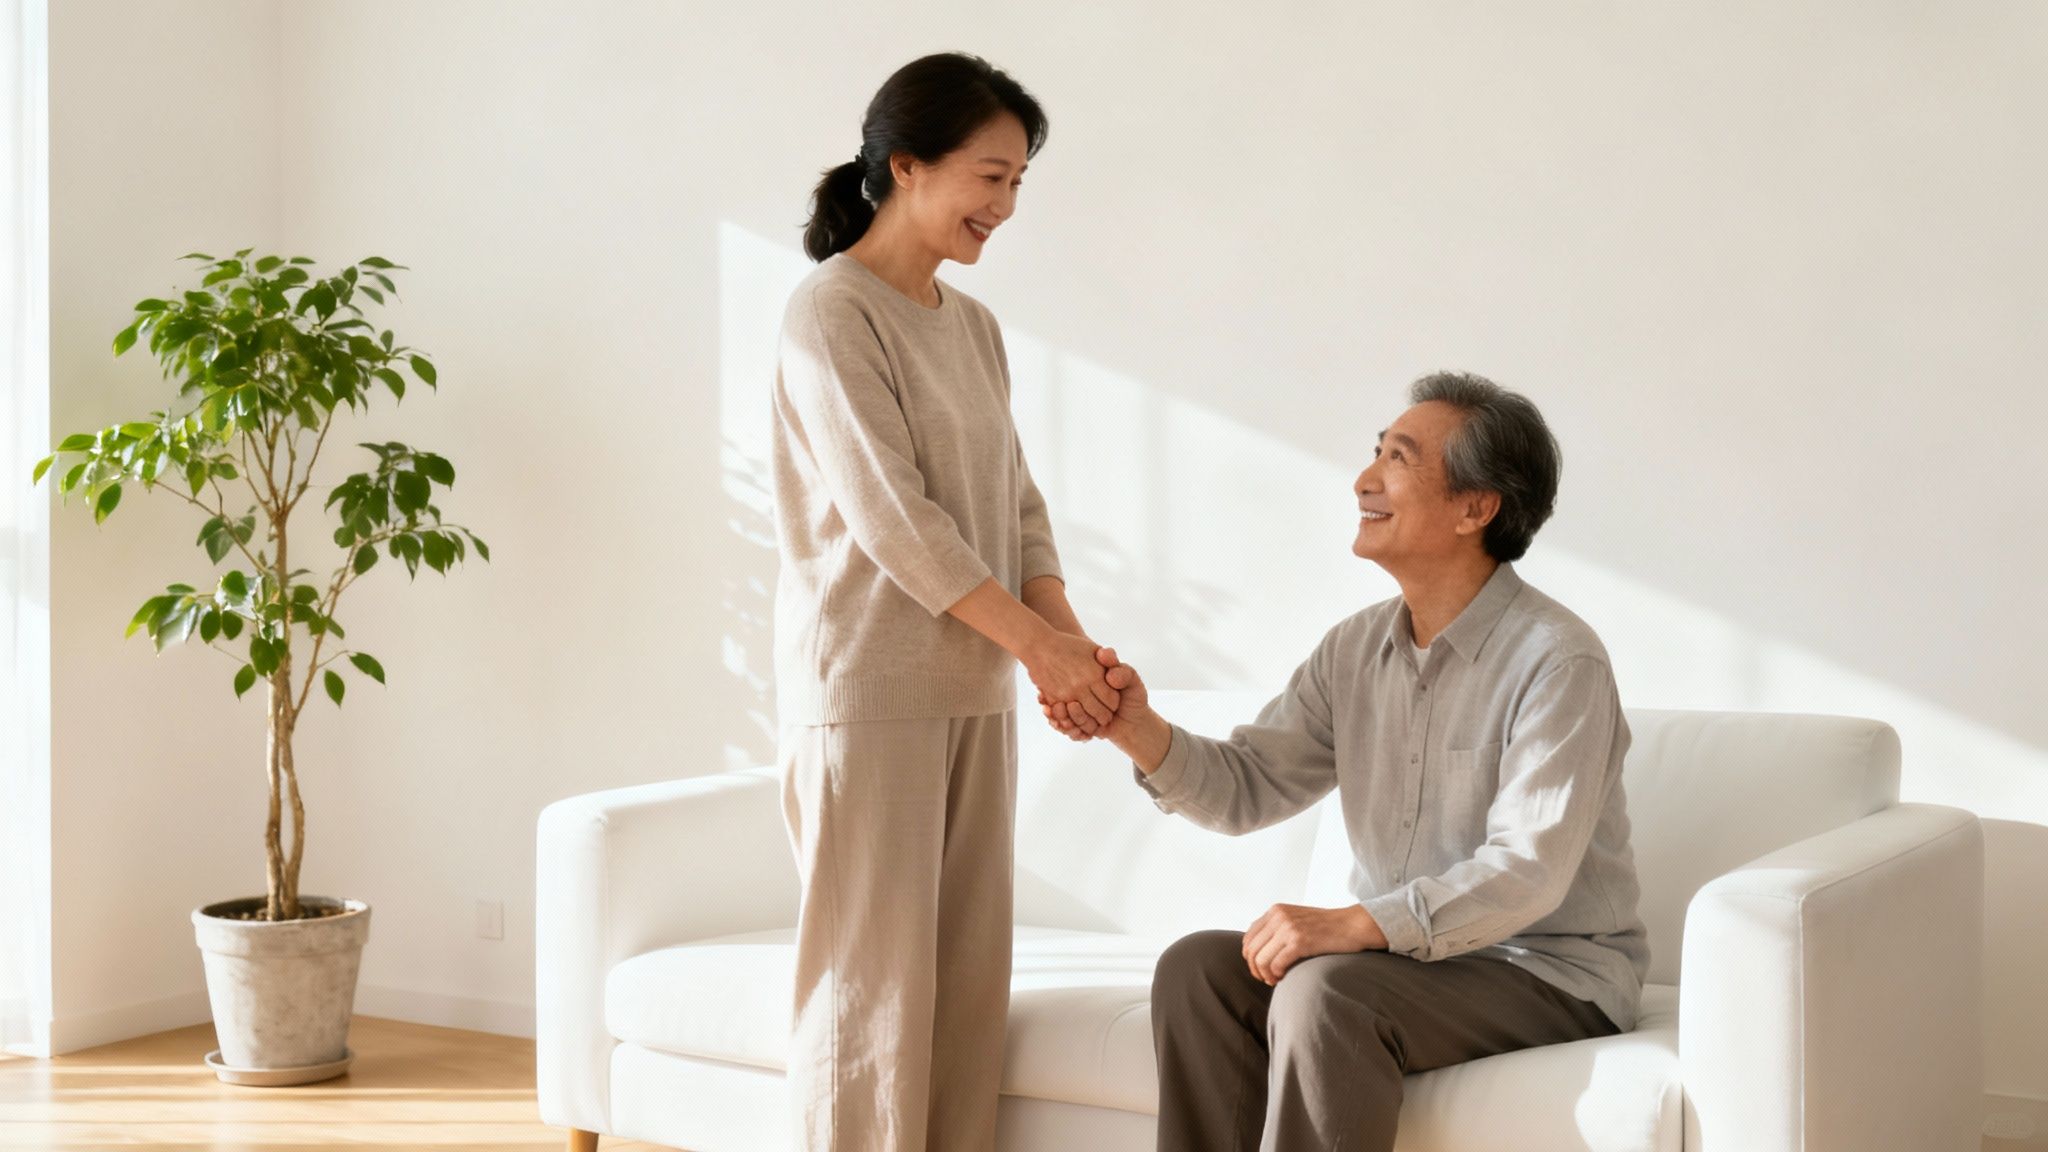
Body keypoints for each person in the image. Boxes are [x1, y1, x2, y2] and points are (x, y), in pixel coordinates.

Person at [1064, 372, 1649, 1152]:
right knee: (1198, 972)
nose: (1364, 479)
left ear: (1476, 509)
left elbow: (1527, 872)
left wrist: (1357, 922)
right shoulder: (1354, 650)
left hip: (1547, 971)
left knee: (1327, 994)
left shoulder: (1557, 660)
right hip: (1409, 964)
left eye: (1398, 460)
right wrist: (1135, 728)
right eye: (1376, 452)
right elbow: (1247, 788)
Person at [770, 51, 1117, 1152]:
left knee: (965, 987)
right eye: (987, 177)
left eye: (1017, 182)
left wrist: (1070, 648)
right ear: (905, 167)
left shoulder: (970, 327)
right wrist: (1037, 651)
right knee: (869, 996)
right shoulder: (829, 313)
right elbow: (893, 518)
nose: (1003, 207)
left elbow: (1013, 506)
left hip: (972, 688)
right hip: (867, 693)